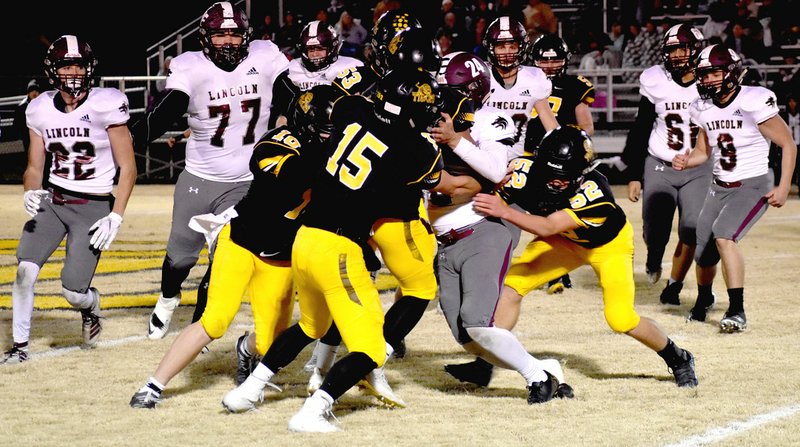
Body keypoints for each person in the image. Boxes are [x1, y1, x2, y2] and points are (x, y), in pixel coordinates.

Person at [220, 69, 444, 433]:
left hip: (304, 238)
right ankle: (314, 410)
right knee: (371, 348)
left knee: (311, 325)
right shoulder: (417, 149)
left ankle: (248, 390)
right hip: (339, 246)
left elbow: (340, 110)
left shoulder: (352, 108)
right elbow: (429, 179)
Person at [129, 85, 342, 408]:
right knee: (215, 320)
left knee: (271, 342)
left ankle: (245, 349)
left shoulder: (333, 154)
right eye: (326, 132)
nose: (333, 137)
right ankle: (153, 386)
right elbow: (290, 177)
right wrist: (329, 156)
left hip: (281, 258)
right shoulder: (279, 142)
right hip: (242, 241)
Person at [468, 126, 699, 389]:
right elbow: (488, 193)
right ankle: (486, 362)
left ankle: (678, 358)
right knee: (511, 286)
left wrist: (505, 212)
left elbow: (548, 226)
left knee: (620, 318)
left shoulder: (594, 191)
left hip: (607, 245)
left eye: (564, 176)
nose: (555, 182)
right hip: (565, 241)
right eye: (550, 172)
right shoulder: (521, 169)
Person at [130, 2, 290, 342]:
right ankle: (168, 299)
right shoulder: (191, 66)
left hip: (247, 183)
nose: (229, 41)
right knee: (180, 257)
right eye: (220, 34)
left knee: (224, 258)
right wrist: (132, 138)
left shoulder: (264, 56)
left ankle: (199, 327)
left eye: (234, 34)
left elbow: (290, 97)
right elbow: (167, 109)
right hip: (200, 178)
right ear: (206, 37)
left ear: (246, 36)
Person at [304, 21, 444, 407]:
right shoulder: (420, 122)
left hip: (340, 197)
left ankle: (321, 365)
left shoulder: (355, 89)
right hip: (393, 206)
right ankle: (369, 358)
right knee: (417, 285)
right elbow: (432, 170)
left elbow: (316, 114)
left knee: (350, 285)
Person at [429, 51, 573, 404]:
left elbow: (495, 171)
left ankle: (536, 378)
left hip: (482, 228)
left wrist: (454, 140)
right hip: (444, 239)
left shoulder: (493, 120)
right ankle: (547, 368)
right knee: (465, 334)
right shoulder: (431, 119)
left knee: (478, 321)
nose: (440, 96)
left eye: (449, 89)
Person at [1, 35, 136, 364]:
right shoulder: (39, 108)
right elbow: (34, 167)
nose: (73, 72)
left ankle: (91, 308)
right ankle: (19, 347)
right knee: (24, 272)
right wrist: (30, 191)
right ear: (53, 70)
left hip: (93, 205)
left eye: (78, 65)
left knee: (73, 292)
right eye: (66, 66)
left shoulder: (106, 103)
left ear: (89, 69)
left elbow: (128, 166)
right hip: (54, 200)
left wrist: (116, 215)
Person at [673, 44, 796, 331]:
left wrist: (784, 186)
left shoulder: (753, 100)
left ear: (730, 72)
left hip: (752, 184)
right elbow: (704, 152)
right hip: (719, 186)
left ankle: (737, 310)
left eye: (713, 73)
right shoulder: (702, 107)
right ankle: (704, 300)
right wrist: (686, 160)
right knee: (703, 248)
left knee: (724, 235)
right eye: (703, 75)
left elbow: (787, 143)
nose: (707, 81)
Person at [621, 24, 718, 310]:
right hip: (660, 162)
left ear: (697, 50)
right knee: (654, 230)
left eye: (682, 48)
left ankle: (675, 283)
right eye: (672, 49)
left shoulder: (711, 81)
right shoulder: (656, 79)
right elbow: (640, 127)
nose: (676, 55)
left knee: (692, 228)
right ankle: (654, 258)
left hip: (698, 166)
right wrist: (634, 174)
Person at [526, 33, 596, 295]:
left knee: (554, 212)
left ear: (565, 60)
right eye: (544, 60)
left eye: (555, 60)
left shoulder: (574, 86)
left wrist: (569, 149)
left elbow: (587, 126)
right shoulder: (523, 81)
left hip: (558, 159)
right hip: (526, 153)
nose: (550, 65)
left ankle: (557, 270)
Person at [482, 16, 559, 157]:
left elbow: (552, 128)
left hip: (516, 161)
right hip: (481, 158)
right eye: (501, 47)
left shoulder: (534, 78)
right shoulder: (479, 76)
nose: (507, 52)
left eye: (512, 46)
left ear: (521, 47)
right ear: (491, 48)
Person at [270, 20, 363, 127]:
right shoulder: (292, 69)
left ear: (332, 48)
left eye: (320, 49)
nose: (315, 54)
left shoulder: (351, 66)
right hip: (303, 128)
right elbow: (283, 107)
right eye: (310, 50)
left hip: (340, 126)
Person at [12, 79, 42, 153]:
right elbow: (16, 124)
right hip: (27, 136)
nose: (34, 93)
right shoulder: (21, 108)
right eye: (31, 90)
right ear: (28, 93)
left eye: (36, 90)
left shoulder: (44, 106)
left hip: (41, 136)